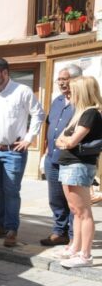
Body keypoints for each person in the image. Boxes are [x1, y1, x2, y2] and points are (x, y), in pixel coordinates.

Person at [0, 57, 45, 247]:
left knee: (11, 191)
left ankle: (12, 228)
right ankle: (1, 225)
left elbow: (38, 113)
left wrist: (29, 138)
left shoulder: (22, 91)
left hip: (14, 151)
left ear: (5, 73)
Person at [52, 76, 102, 268]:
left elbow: (69, 142)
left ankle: (85, 255)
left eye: (73, 90)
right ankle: (75, 249)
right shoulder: (79, 114)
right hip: (70, 164)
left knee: (83, 212)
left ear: (82, 91)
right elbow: (58, 139)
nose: (69, 93)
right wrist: (65, 141)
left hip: (78, 165)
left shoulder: (90, 113)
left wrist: (67, 141)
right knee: (76, 211)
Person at [42, 64, 82, 247]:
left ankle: (74, 236)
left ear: (76, 80)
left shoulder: (83, 102)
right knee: (55, 198)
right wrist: (46, 149)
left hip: (71, 159)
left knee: (72, 200)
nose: (61, 83)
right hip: (52, 157)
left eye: (64, 79)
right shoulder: (57, 101)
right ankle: (59, 232)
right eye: (59, 79)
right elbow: (50, 125)